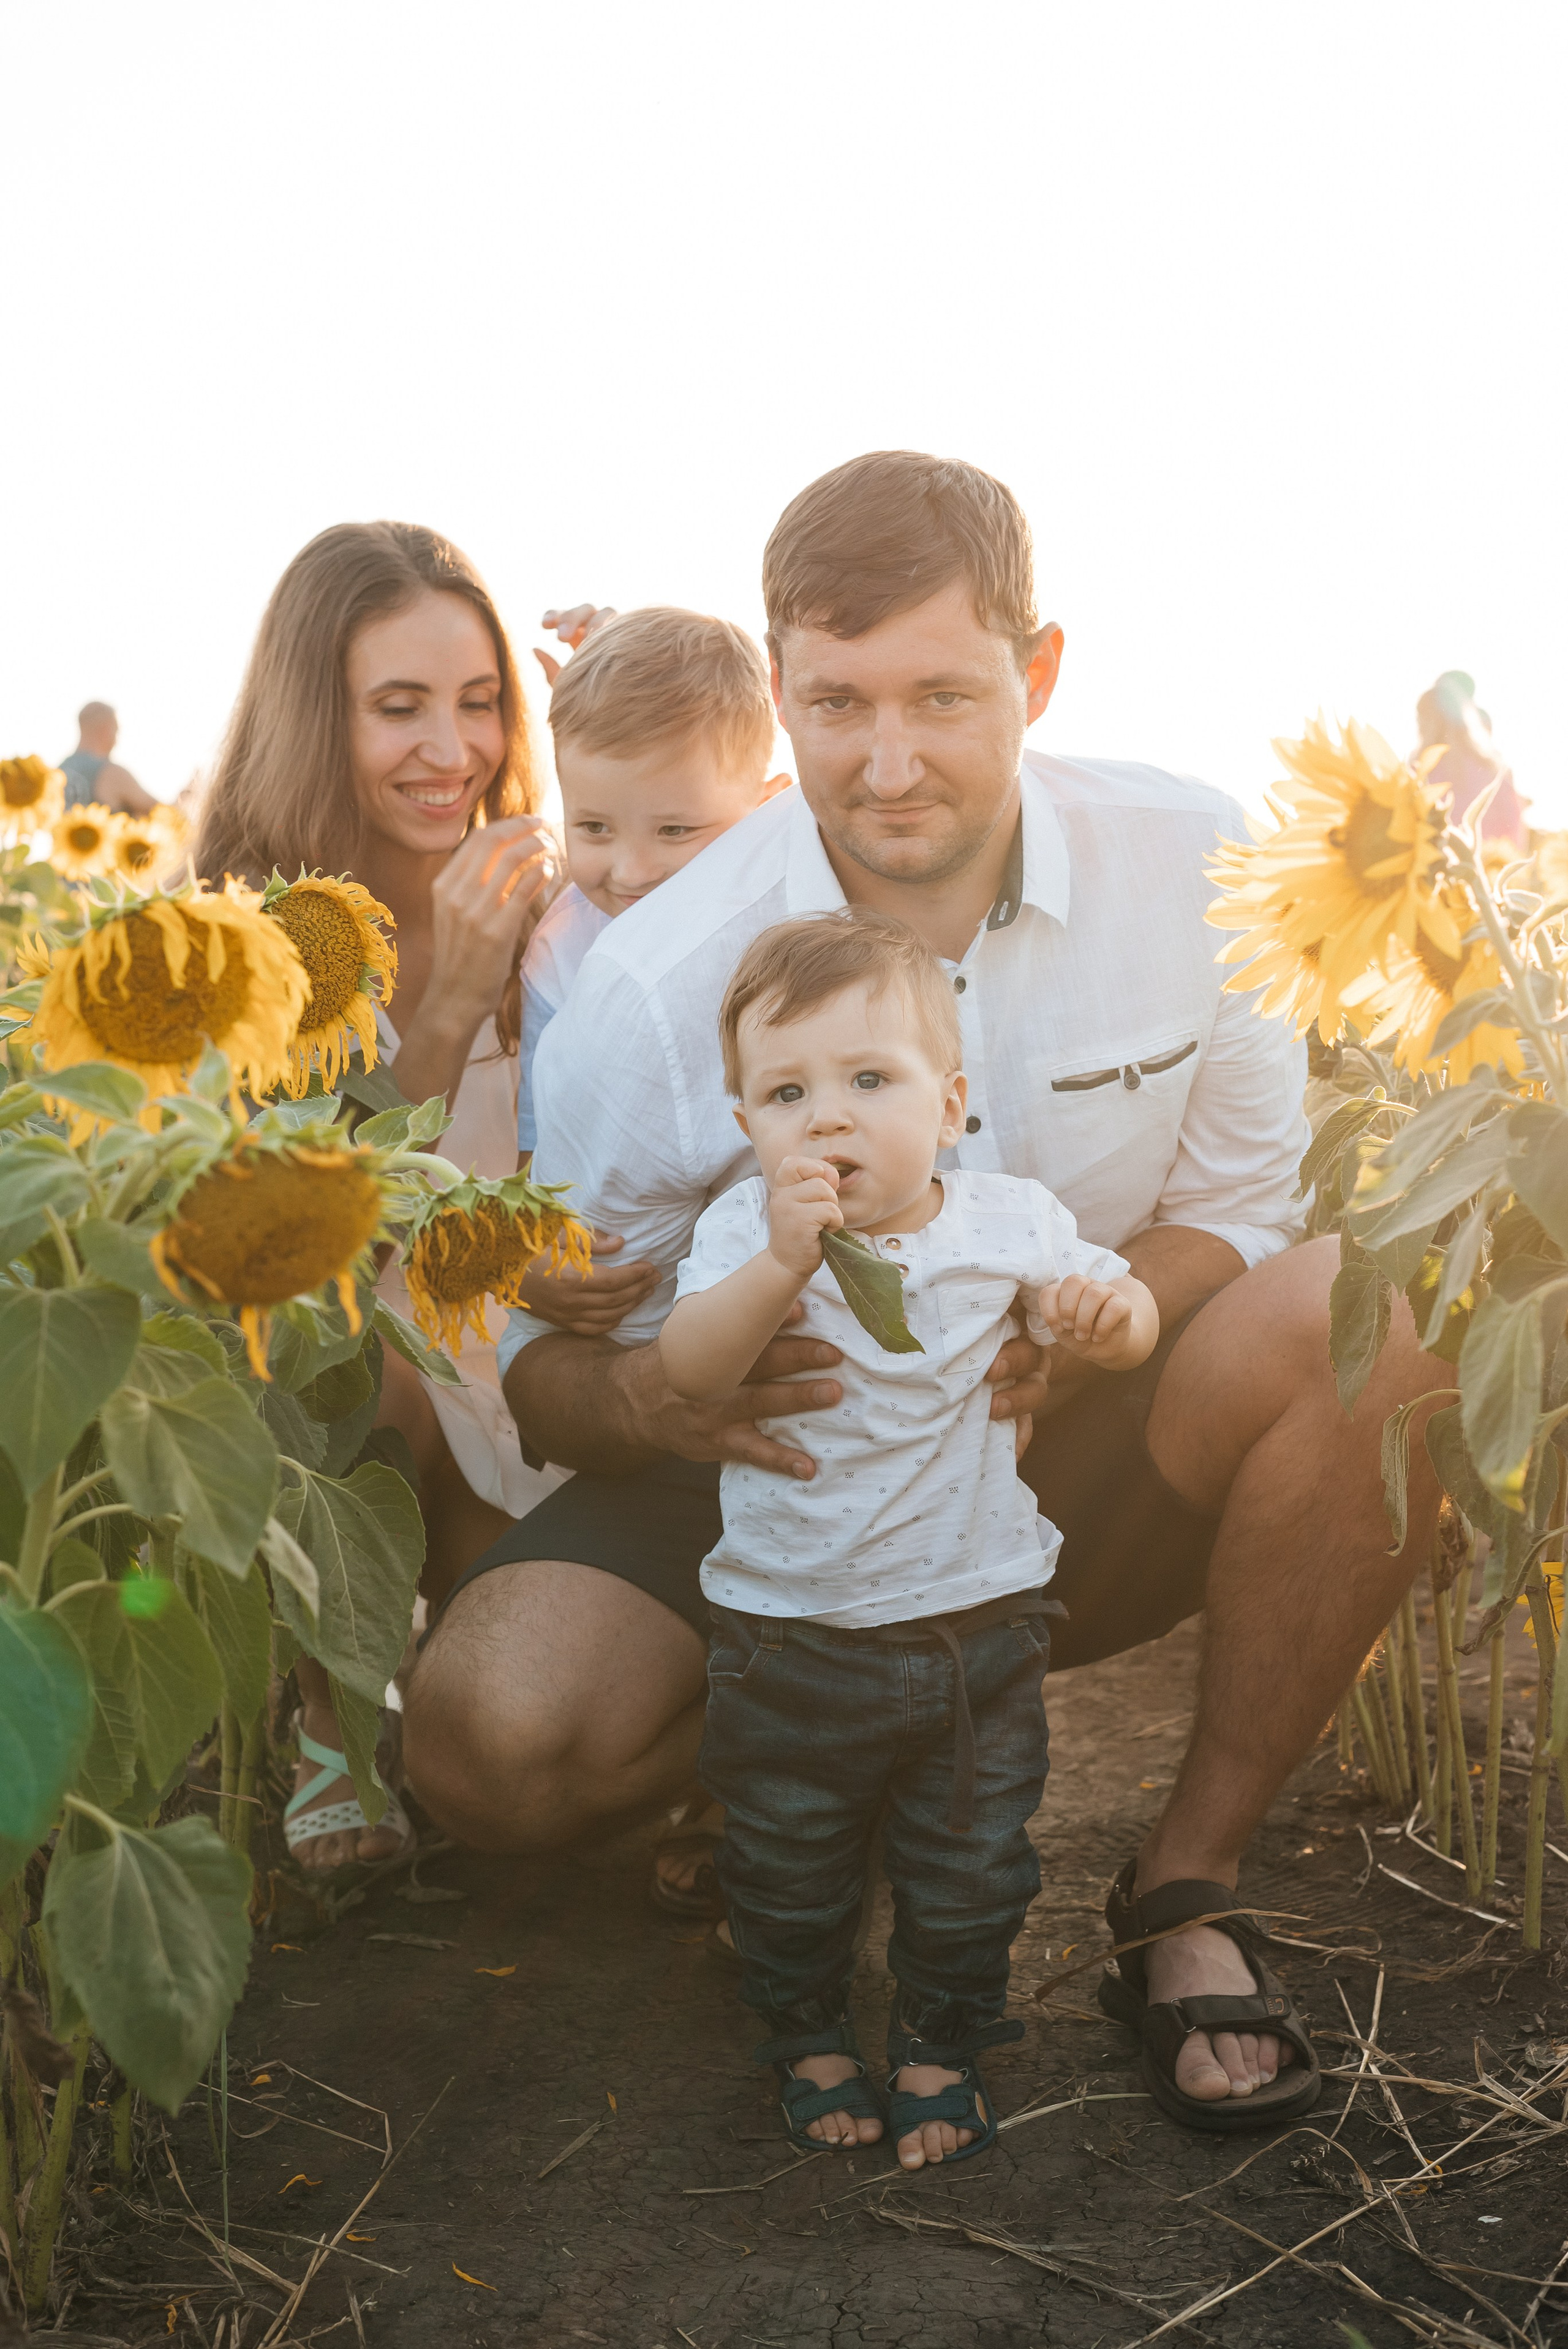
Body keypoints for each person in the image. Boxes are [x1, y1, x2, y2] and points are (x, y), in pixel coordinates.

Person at [404, 450, 1436, 2130]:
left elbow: (1245, 1205)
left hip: (1066, 1449)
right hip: (770, 1489)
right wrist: (664, 1394)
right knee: (490, 1740)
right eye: (839, 704)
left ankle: (1184, 1890)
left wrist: (1092, 1322)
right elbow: (542, 1355)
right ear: (782, 687)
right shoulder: (666, 979)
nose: (889, 764)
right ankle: (801, 1777)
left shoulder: (1195, 862)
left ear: (1038, 673)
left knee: (1376, 1318)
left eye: (946, 695)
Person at [662, 908, 1155, 2168]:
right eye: (785, 1091)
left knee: (972, 1864)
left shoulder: (1006, 1221)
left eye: (866, 1080)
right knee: (781, 1860)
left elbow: (1116, 1313)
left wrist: (1105, 1315)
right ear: (745, 1128)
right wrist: (780, 1262)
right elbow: (687, 1369)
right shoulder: (743, 1238)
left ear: (948, 1106)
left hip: (973, 1626)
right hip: (790, 1632)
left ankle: (940, 2042)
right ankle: (807, 2031)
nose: (825, 1117)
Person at [194, 520, 557, 1875]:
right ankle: (328, 1714)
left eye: (479, 704)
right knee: (344, 1352)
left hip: (534, 1355)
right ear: (314, 716)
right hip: (362, 1376)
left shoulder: (553, 896)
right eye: (397, 708)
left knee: (513, 1727)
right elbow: (301, 1222)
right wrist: (451, 999)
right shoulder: (259, 934)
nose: (450, 752)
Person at [516, 605, 790, 1163]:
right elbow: (539, 1137)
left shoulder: (793, 915)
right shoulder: (559, 953)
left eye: (675, 830)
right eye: (594, 828)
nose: (632, 871)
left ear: (767, 808)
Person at [1415, 670, 1528, 848]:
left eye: (1421, 717)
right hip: (1491, 868)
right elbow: (1515, 829)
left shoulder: (1422, 770)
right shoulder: (1491, 767)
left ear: (1431, 720)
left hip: (1443, 869)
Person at [59, 701, 157, 814]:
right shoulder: (111, 773)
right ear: (105, 730)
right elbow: (162, 813)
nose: (116, 741)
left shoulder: (56, 773)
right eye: (116, 731)